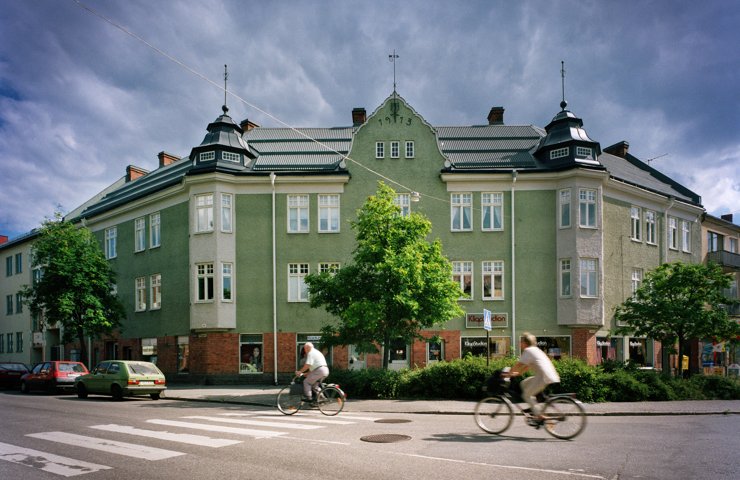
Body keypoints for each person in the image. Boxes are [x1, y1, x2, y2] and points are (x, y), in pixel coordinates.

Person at [504, 332, 560, 420]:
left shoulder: (528, 350)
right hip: (547, 375)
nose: (520, 343)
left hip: (543, 377)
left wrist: (508, 373)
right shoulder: (535, 349)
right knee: (523, 383)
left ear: (525, 343)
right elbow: (527, 366)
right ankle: (534, 405)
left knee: (526, 395)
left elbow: (519, 364)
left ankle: (539, 415)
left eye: (521, 342)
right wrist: (518, 373)